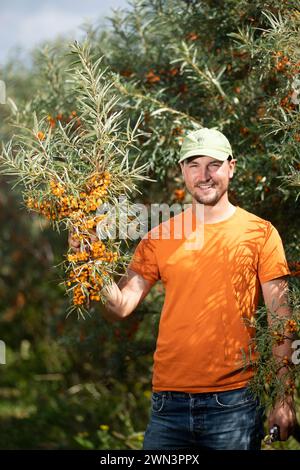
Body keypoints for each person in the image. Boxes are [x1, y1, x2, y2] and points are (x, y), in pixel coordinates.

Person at [69, 127, 296, 450]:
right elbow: (119, 306)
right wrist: (91, 262)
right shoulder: (158, 236)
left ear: (231, 166)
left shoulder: (261, 233)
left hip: (234, 404)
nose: (204, 175)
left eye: (213, 164)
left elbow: (281, 323)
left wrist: (283, 398)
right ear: (182, 172)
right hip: (168, 405)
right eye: (193, 165)